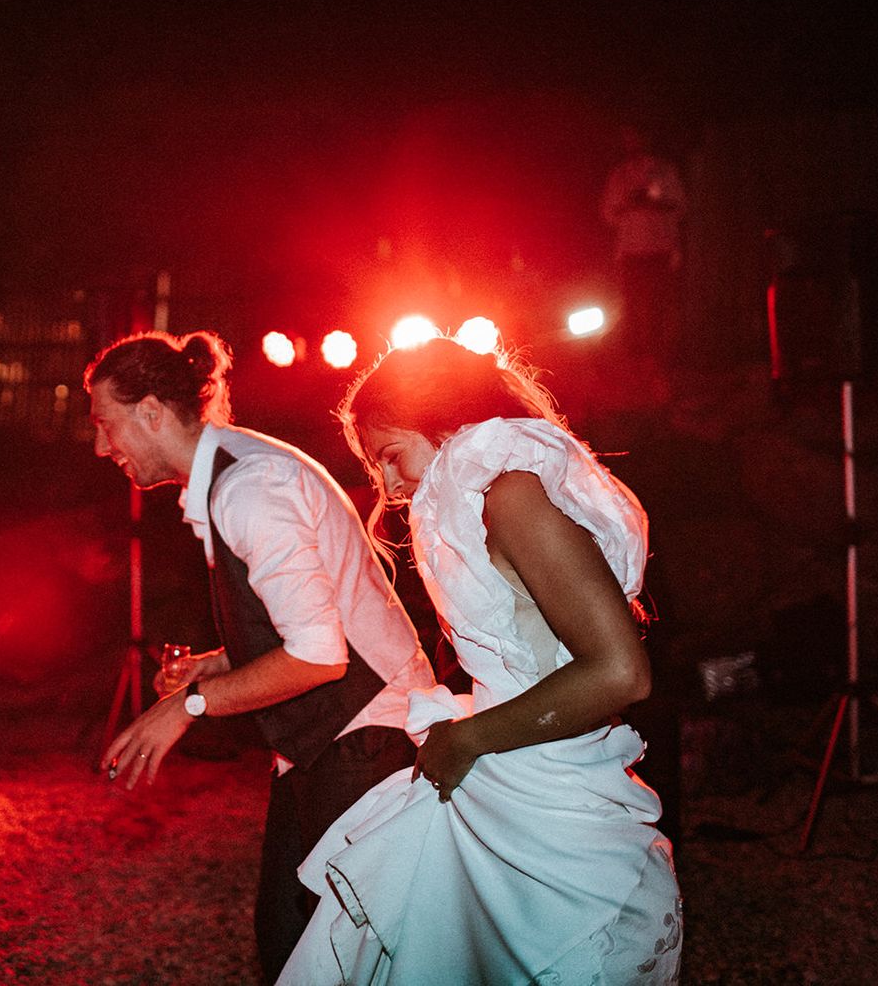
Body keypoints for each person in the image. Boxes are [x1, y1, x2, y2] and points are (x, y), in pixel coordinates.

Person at [279, 337, 682, 984]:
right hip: (509, 787)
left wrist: (468, 738)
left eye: (390, 455)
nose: (385, 483)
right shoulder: (472, 506)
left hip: (556, 815)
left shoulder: (513, 495)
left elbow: (620, 672)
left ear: (444, 419)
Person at [84, 330, 435, 981]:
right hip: (332, 740)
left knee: (340, 955)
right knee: (291, 941)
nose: (102, 446)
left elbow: (319, 658)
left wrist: (187, 706)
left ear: (152, 413)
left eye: (107, 424)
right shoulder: (236, 473)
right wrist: (220, 662)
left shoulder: (250, 489)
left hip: (365, 740)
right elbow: (306, 624)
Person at [601, 123, 687, 358]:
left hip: (660, 249)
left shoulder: (664, 172)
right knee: (634, 308)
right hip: (631, 251)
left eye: (639, 137)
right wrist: (631, 206)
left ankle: (661, 359)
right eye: (630, 138)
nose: (635, 142)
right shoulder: (620, 175)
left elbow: (681, 207)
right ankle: (638, 360)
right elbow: (608, 214)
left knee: (660, 307)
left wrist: (654, 204)